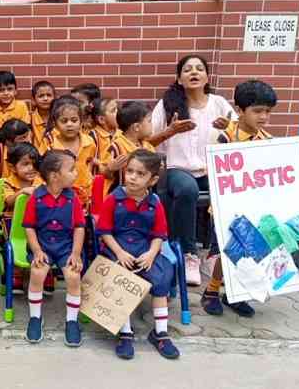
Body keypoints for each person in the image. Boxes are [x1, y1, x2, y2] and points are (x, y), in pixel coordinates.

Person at [148, 54, 233, 286]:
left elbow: (239, 138)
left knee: (228, 192)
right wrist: (170, 131)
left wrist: (229, 129)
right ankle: (189, 255)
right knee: (186, 189)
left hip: (213, 169)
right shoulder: (167, 105)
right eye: (187, 70)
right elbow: (147, 142)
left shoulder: (219, 104)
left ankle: (215, 255)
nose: (194, 73)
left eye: (199, 69)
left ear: (207, 76)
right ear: (179, 78)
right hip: (179, 169)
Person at [200, 80, 277, 318]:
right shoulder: (223, 137)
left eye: (267, 111)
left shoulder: (267, 139)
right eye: (257, 111)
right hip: (225, 207)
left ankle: (236, 294)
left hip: (252, 207)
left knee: (249, 252)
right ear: (240, 110)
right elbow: (212, 171)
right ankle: (211, 291)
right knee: (227, 251)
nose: (263, 117)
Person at [96, 149, 179, 360]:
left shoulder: (155, 204)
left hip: (145, 250)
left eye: (140, 174)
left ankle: (160, 333)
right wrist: (120, 253)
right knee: (121, 276)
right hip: (117, 248)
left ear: (153, 180)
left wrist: (152, 253)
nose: (132, 177)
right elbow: (104, 231)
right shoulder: (113, 199)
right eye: (130, 171)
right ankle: (125, 332)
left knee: (160, 277)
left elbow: (160, 234)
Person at [22, 150, 85, 346]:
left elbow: (79, 228)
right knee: (38, 273)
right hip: (43, 245)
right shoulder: (37, 197)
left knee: (73, 276)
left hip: (67, 247)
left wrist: (75, 253)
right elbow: (29, 228)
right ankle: (35, 318)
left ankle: (72, 321)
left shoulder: (73, 198)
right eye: (72, 170)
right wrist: (38, 251)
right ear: (54, 175)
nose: (76, 173)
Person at [0, 143, 44, 294]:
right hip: (14, 223)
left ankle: (47, 273)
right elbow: (8, 201)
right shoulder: (7, 182)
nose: (31, 168)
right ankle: (16, 274)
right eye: (25, 164)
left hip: (37, 223)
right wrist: (23, 192)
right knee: (13, 244)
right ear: (12, 167)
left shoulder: (41, 182)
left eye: (34, 164)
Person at [40, 95, 96, 210]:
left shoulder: (89, 142)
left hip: (85, 196)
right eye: (64, 121)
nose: (69, 124)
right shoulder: (50, 143)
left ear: (81, 122)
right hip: (59, 196)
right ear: (55, 124)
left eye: (74, 120)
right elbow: (42, 170)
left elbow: (90, 165)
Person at [104, 101, 155, 193]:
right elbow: (102, 174)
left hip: (143, 197)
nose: (152, 124)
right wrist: (109, 169)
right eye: (149, 121)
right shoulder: (116, 147)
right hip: (119, 200)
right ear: (136, 127)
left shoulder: (148, 147)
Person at [88, 97, 119, 195]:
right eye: (113, 110)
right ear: (101, 119)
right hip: (100, 191)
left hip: (119, 187)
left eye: (118, 108)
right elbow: (89, 162)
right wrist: (102, 165)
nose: (118, 113)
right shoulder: (93, 136)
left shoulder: (121, 134)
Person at [30, 80, 56, 151]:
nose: (45, 98)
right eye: (41, 96)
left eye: (49, 95)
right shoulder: (29, 119)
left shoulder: (58, 118)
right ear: (33, 100)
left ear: (54, 98)